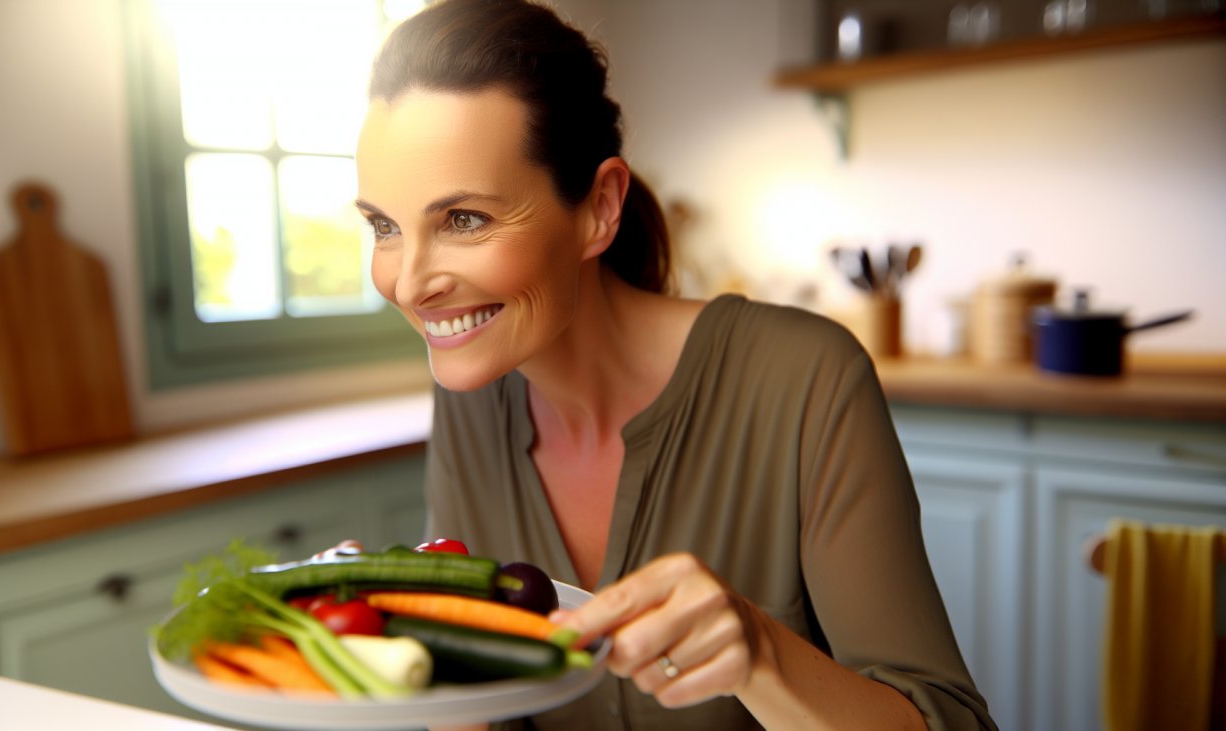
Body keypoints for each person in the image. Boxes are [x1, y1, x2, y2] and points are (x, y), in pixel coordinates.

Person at [353, 1, 997, 729]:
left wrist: (760, 651)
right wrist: (393, 642)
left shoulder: (804, 378)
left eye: (463, 219)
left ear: (599, 207)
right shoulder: (472, 393)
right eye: (384, 226)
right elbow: (478, 701)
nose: (409, 284)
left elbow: (950, 719)